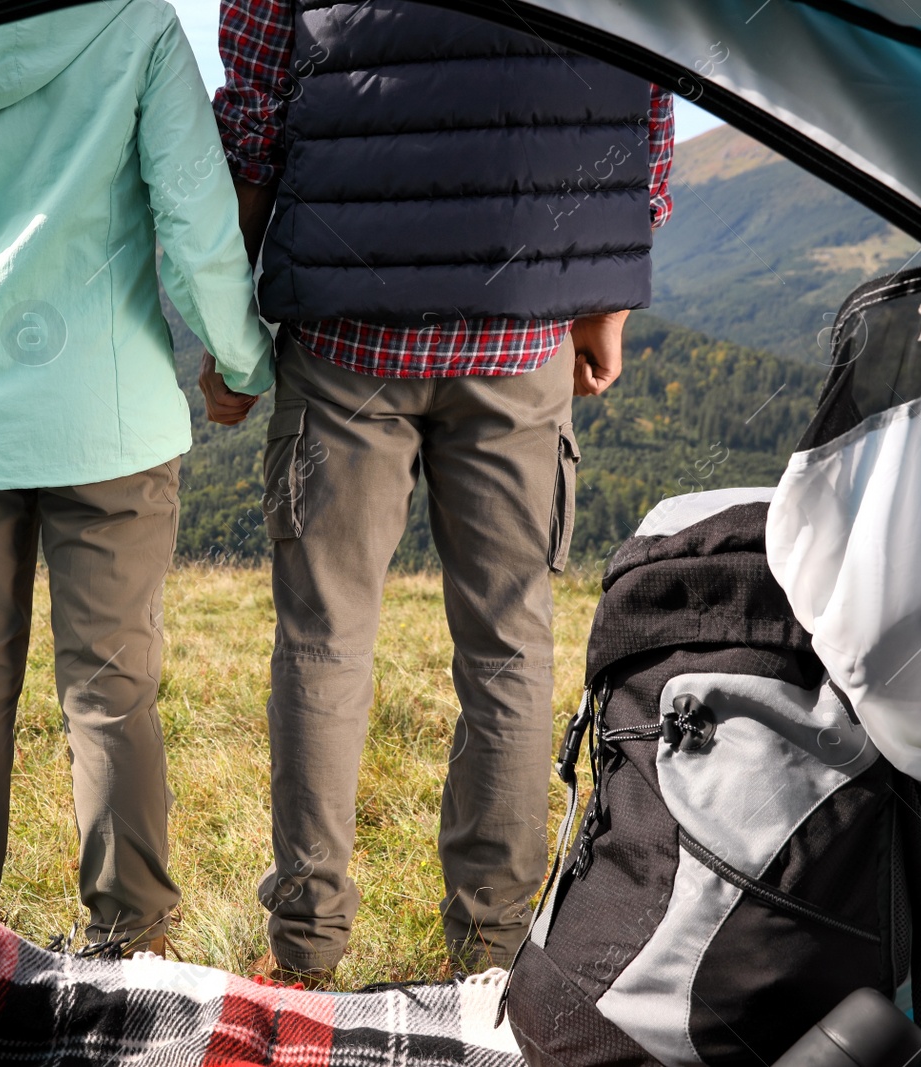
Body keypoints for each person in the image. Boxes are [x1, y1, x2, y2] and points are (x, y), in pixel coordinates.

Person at [202, 0, 674, 983]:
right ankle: (495, 954)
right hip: (517, 329)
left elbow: (253, 120)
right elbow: (641, 104)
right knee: (507, 641)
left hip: (343, 332)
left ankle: (302, 949)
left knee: (323, 640)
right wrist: (605, 306)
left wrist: (229, 331)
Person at [0, 0, 272, 955]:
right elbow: (197, 223)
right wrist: (241, 361)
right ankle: (130, 941)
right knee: (111, 689)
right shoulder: (139, 27)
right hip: (108, 424)